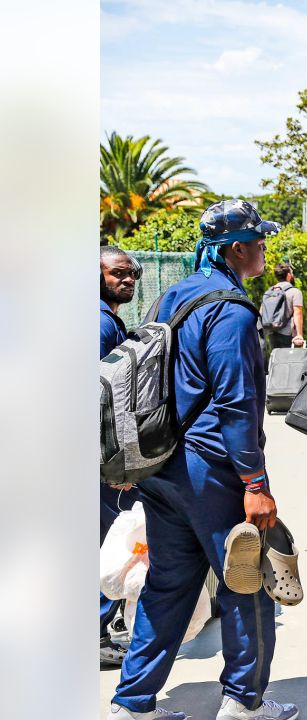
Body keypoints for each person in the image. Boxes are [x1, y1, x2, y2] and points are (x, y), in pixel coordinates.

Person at [109, 200, 297, 720]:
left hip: (160, 466)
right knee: (248, 581)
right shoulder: (232, 310)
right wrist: (255, 483)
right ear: (237, 248)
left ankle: (132, 705)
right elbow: (236, 402)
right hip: (211, 470)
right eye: (259, 241)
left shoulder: (173, 295)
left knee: (167, 586)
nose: (264, 248)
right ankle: (245, 703)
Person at [100, 246, 143, 665]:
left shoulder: (106, 319)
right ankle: (97, 634)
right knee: (111, 543)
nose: (127, 280)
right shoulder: (99, 324)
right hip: (102, 462)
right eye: (117, 273)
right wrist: (116, 464)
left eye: (131, 274)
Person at [263, 263, 305, 352]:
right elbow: (298, 314)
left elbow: (262, 312)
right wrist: (299, 334)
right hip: (288, 333)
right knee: (288, 361)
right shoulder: (295, 292)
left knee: (276, 360)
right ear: (289, 275)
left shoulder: (269, 292)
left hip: (271, 333)